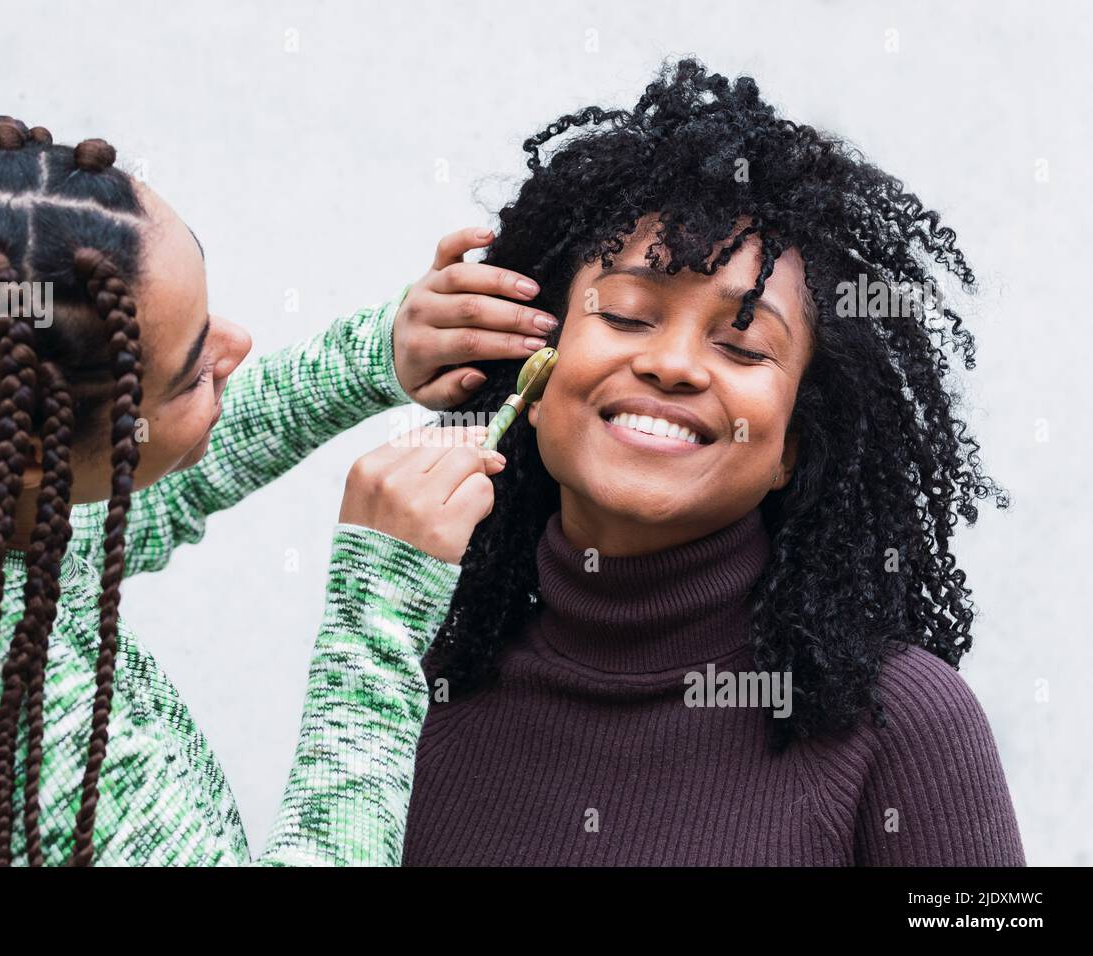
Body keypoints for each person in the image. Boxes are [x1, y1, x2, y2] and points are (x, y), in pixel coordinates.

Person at [0, 115, 558, 865]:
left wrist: (372, 354)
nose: (239, 344)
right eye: (193, 369)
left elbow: (138, 491)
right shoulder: (5, 723)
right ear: (20, 457)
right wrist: (378, 615)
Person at [402, 59, 1026, 866]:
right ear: (534, 365)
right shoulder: (425, 690)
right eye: (626, 315)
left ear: (792, 446)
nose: (674, 365)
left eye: (741, 343)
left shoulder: (896, 723)